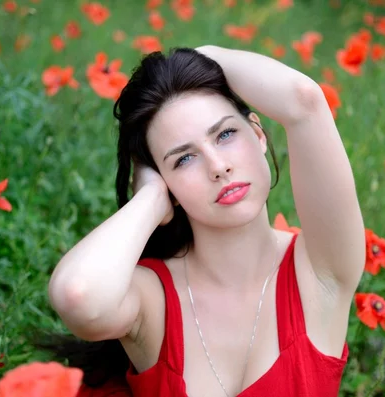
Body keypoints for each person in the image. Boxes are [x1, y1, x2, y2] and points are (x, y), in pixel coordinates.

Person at [47, 45, 366, 397]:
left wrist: (199, 53)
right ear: (165, 183)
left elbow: (303, 99)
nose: (218, 166)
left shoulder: (319, 273)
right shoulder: (154, 299)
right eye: (184, 159)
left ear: (258, 135)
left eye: (225, 134)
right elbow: (78, 296)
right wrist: (151, 199)